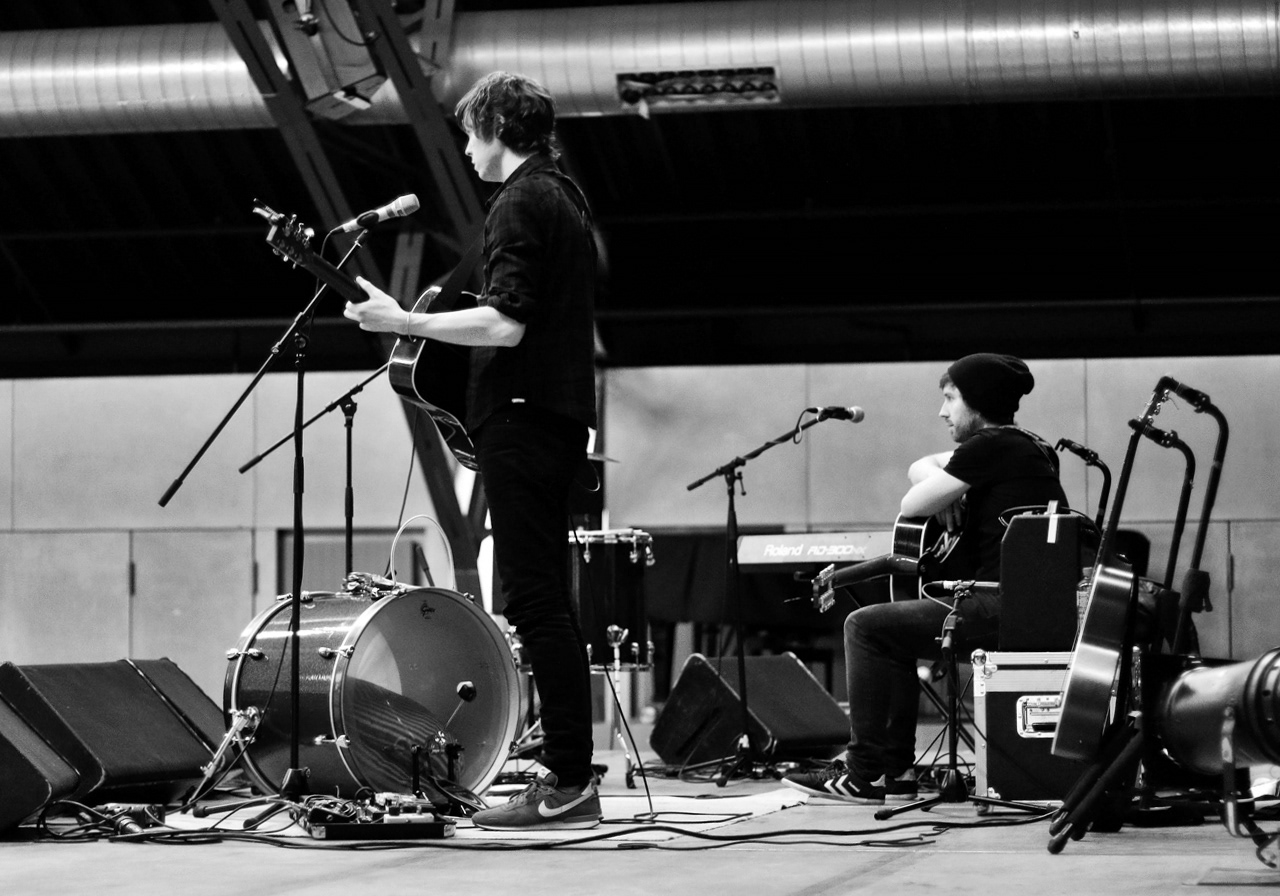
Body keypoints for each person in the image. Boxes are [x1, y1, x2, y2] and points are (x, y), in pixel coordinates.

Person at [344, 71, 601, 830]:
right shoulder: (562, 194)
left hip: (525, 418)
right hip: (546, 417)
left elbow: (507, 323)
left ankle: (568, 779)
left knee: (534, 599)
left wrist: (405, 322)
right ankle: (566, 760)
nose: (463, 147)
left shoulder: (521, 198)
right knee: (542, 596)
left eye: (468, 132)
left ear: (494, 126)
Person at [784, 353, 1067, 804]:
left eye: (951, 399)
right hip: (1027, 607)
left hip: (1001, 608)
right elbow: (921, 466)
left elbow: (912, 504)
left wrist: (940, 491)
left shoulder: (991, 446)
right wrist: (947, 486)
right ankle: (891, 771)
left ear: (977, 402)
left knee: (865, 626)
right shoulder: (1026, 444)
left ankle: (864, 771)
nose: (942, 411)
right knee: (889, 632)